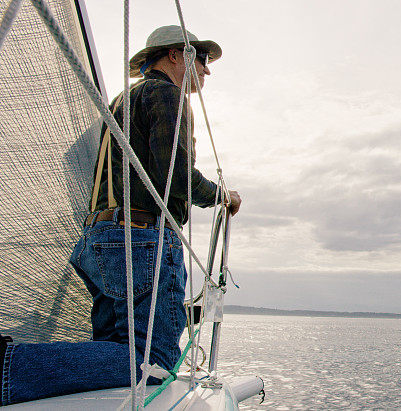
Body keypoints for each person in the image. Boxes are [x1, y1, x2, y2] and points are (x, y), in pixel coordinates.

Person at [0, 25, 241, 406]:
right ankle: (9, 366)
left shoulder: (120, 101)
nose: (207, 70)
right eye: (201, 58)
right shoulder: (168, 94)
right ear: (175, 56)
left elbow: (74, 161)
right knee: (153, 361)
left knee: (116, 352)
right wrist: (221, 196)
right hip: (140, 238)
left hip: (101, 239)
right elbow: (173, 176)